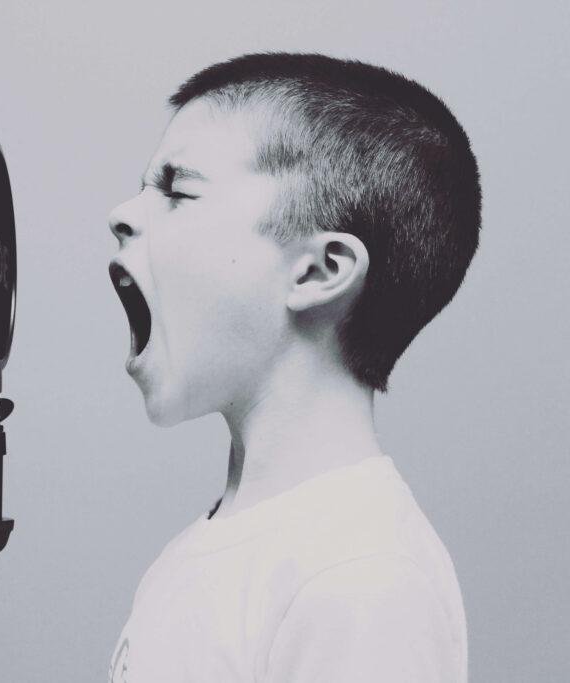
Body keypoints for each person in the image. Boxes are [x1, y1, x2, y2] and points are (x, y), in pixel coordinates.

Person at [107, 53, 479, 682]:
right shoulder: (207, 551)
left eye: (177, 190)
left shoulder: (362, 578)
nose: (123, 214)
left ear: (319, 270)